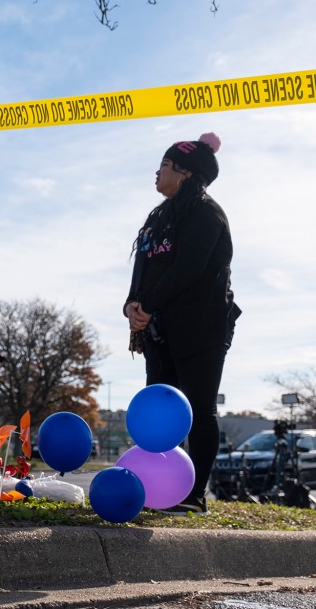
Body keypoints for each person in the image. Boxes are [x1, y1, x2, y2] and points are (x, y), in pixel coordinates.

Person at [124, 132, 241, 515]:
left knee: (198, 410)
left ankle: (194, 497)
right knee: (161, 409)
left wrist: (149, 304)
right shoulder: (157, 218)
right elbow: (144, 266)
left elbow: (187, 269)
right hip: (159, 331)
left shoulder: (207, 214)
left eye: (164, 165)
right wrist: (132, 306)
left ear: (185, 172)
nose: (156, 172)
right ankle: (161, 490)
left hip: (202, 328)